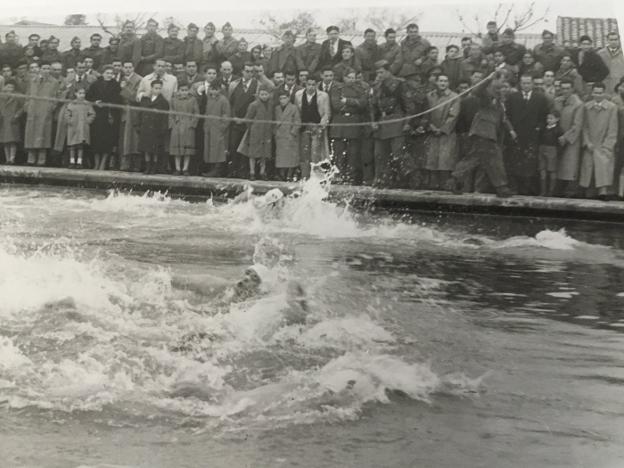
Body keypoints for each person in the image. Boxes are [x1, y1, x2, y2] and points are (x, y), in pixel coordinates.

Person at [446, 75, 513, 197]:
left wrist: (511, 130)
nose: (502, 91)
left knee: (475, 158)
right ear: (493, 89)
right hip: (483, 132)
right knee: (495, 159)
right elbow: (477, 90)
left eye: (502, 89)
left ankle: (456, 180)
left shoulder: (499, 104)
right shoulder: (486, 98)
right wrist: (488, 79)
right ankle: (501, 187)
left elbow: (503, 119)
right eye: (499, 89)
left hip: (487, 134)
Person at [504, 74, 549, 195]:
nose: (526, 86)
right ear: (520, 84)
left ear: (532, 84)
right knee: (515, 162)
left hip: (532, 136)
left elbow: (544, 117)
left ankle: (528, 190)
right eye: (523, 83)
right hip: (516, 135)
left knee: (530, 164)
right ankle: (515, 188)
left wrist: (538, 128)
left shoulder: (540, 98)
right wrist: (511, 131)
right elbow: (506, 116)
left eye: (528, 83)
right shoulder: (513, 97)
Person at [370, 60, 407, 187]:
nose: (379, 75)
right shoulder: (377, 87)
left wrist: (407, 123)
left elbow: (408, 106)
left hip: (397, 122)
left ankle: (401, 181)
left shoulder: (399, 84)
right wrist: (373, 121)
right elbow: (373, 106)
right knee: (379, 154)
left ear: (388, 71)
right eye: (377, 73)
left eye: (381, 72)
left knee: (397, 153)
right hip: (382, 123)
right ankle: (380, 179)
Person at [580, 82, 619, 199]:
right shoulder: (587, 107)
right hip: (591, 143)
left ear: (604, 93)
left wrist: (607, 146)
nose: (598, 95)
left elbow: (613, 129)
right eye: (596, 92)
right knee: (588, 166)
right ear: (592, 93)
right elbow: (584, 127)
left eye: (600, 92)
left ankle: (603, 191)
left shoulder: (611, 107)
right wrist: (587, 142)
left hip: (603, 143)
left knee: (603, 165)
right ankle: (587, 190)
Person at [329, 68, 368, 184]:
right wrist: (354, 104)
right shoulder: (337, 88)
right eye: (349, 77)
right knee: (338, 152)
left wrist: (347, 101)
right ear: (344, 77)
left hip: (354, 123)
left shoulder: (360, 89)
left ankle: (351, 177)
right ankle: (337, 175)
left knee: (353, 153)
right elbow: (336, 105)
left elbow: (363, 104)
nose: (352, 80)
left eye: (353, 77)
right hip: (340, 123)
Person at [424, 74, 460, 189]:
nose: (443, 83)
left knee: (445, 161)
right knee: (432, 160)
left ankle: (445, 186)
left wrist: (443, 129)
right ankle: (432, 186)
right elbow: (426, 113)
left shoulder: (454, 97)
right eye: (440, 81)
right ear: (436, 82)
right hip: (432, 132)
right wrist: (431, 126)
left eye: (445, 81)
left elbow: (453, 116)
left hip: (447, 134)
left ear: (448, 83)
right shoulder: (430, 96)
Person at [24, 62, 61, 166]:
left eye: (48, 69)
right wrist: (27, 106)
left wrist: (51, 107)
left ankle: (41, 159)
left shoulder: (54, 82)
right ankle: (30, 159)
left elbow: (55, 97)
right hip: (33, 110)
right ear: (40, 69)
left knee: (43, 134)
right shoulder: (33, 80)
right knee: (31, 134)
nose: (46, 71)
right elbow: (27, 94)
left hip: (45, 111)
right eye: (44, 68)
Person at [294, 76, 331, 179]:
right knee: (304, 153)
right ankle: (304, 176)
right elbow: (296, 112)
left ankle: (316, 177)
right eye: (309, 84)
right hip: (304, 128)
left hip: (317, 128)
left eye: (313, 85)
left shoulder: (323, 96)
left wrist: (321, 126)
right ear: (305, 84)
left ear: (316, 85)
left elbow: (327, 114)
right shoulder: (298, 95)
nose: (311, 87)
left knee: (316, 154)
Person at [86, 66, 122, 170]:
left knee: (108, 141)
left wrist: (109, 104)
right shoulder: (95, 84)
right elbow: (89, 97)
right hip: (97, 115)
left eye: (111, 73)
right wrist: (95, 102)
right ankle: (96, 163)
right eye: (107, 73)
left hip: (110, 115)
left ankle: (103, 163)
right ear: (102, 73)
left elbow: (119, 100)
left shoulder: (116, 85)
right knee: (96, 140)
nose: (109, 75)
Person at [553, 78, 584, 197]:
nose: (565, 91)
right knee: (558, 164)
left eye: (567, 88)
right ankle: (559, 189)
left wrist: (566, 137)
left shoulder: (578, 104)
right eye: (563, 88)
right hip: (557, 137)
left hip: (571, 139)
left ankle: (571, 190)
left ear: (572, 89)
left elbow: (577, 125)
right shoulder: (558, 101)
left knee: (570, 165)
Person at [228, 62, 258, 177]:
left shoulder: (257, 85)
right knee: (234, 146)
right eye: (247, 71)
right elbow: (230, 103)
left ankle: (244, 171)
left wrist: (248, 120)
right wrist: (234, 117)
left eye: (251, 71)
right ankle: (232, 171)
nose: (249, 74)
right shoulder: (234, 85)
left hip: (249, 123)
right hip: (236, 122)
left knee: (246, 148)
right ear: (242, 71)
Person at [238, 84, 274, 180]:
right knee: (252, 154)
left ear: (269, 95)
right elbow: (248, 119)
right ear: (258, 94)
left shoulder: (271, 105)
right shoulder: (254, 105)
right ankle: (252, 172)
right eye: (262, 94)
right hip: (255, 132)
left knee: (264, 154)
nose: (264, 96)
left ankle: (262, 172)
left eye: (266, 94)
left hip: (266, 132)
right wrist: (253, 128)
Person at [137, 80, 170, 174]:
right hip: (145, 127)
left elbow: (165, 117)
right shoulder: (145, 100)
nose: (158, 90)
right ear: (151, 88)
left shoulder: (163, 102)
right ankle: (147, 167)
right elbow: (140, 113)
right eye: (156, 88)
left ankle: (154, 168)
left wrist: (163, 129)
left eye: (160, 88)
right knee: (146, 149)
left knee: (155, 150)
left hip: (157, 129)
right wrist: (138, 125)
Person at [168, 82, 199, 176]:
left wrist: (192, 124)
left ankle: (185, 168)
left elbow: (196, 113)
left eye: (186, 90)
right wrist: (172, 124)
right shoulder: (173, 100)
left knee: (187, 149)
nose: (184, 92)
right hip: (177, 126)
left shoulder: (193, 100)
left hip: (188, 126)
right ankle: (177, 168)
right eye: (182, 90)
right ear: (178, 91)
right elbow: (170, 113)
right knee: (176, 149)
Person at [201, 82, 231, 177]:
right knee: (209, 149)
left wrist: (222, 127)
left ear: (220, 90)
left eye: (216, 89)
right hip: (209, 127)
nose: (214, 91)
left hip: (218, 128)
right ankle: (211, 168)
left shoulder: (223, 100)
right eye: (212, 89)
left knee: (218, 149)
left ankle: (217, 170)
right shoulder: (208, 99)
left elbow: (226, 115)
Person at [118, 61, 143, 172]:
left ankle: (136, 165)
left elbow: (136, 97)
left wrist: (125, 88)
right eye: (126, 67)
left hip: (134, 112)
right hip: (122, 111)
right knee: (124, 139)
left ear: (133, 68)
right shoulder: (120, 78)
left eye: (130, 67)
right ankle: (124, 164)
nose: (128, 69)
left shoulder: (139, 79)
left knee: (134, 139)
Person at [65, 87, 95, 169]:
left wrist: (88, 121)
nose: (82, 95)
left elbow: (92, 114)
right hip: (73, 128)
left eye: (83, 93)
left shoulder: (87, 104)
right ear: (76, 94)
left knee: (80, 145)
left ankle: (79, 162)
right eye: (80, 93)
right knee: (72, 145)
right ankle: (71, 162)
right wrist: (70, 121)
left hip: (83, 128)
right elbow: (67, 114)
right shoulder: (71, 104)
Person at [274, 89, 301, 181]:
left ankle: (289, 175)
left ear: (289, 98)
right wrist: (275, 131)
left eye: (284, 98)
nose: (282, 100)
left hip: (290, 136)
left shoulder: (294, 108)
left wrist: (292, 133)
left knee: (290, 158)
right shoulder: (277, 109)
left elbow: (297, 122)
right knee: (281, 158)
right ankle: (282, 175)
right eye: (281, 98)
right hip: (280, 136)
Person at [538, 110, 564, 196]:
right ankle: (543, 191)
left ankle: (551, 192)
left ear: (557, 119)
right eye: (548, 118)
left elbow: (561, 144)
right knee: (542, 170)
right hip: (542, 149)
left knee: (552, 171)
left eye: (551, 118)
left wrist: (557, 153)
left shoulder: (559, 130)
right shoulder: (543, 128)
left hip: (553, 151)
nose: (549, 120)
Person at [0, 81, 23, 165]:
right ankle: (7, 159)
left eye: (12, 87)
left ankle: (12, 158)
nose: (10, 89)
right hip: (4, 121)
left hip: (13, 120)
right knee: (5, 141)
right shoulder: (1, 97)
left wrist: (17, 115)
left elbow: (22, 107)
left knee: (12, 140)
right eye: (8, 87)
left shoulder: (17, 97)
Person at [598, 32, 624, 97]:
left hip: (620, 84)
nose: (613, 42)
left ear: (619, 40)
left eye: (615, 39)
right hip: (605, 84)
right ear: (607, 40)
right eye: (611, 40)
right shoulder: (600, 53)